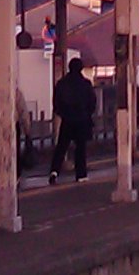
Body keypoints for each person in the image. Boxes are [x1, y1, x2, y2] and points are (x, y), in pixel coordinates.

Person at [49, 55, 97, 184]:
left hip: (67, 120)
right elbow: (92, 102)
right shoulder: (86, 84)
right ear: (81, 68)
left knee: (61, 147)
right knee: (80, 148)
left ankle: (54, 171)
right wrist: (87, 113)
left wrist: (63, 113)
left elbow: (56, 103)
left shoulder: (62, 84)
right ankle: (81, 174)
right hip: (82, 120)